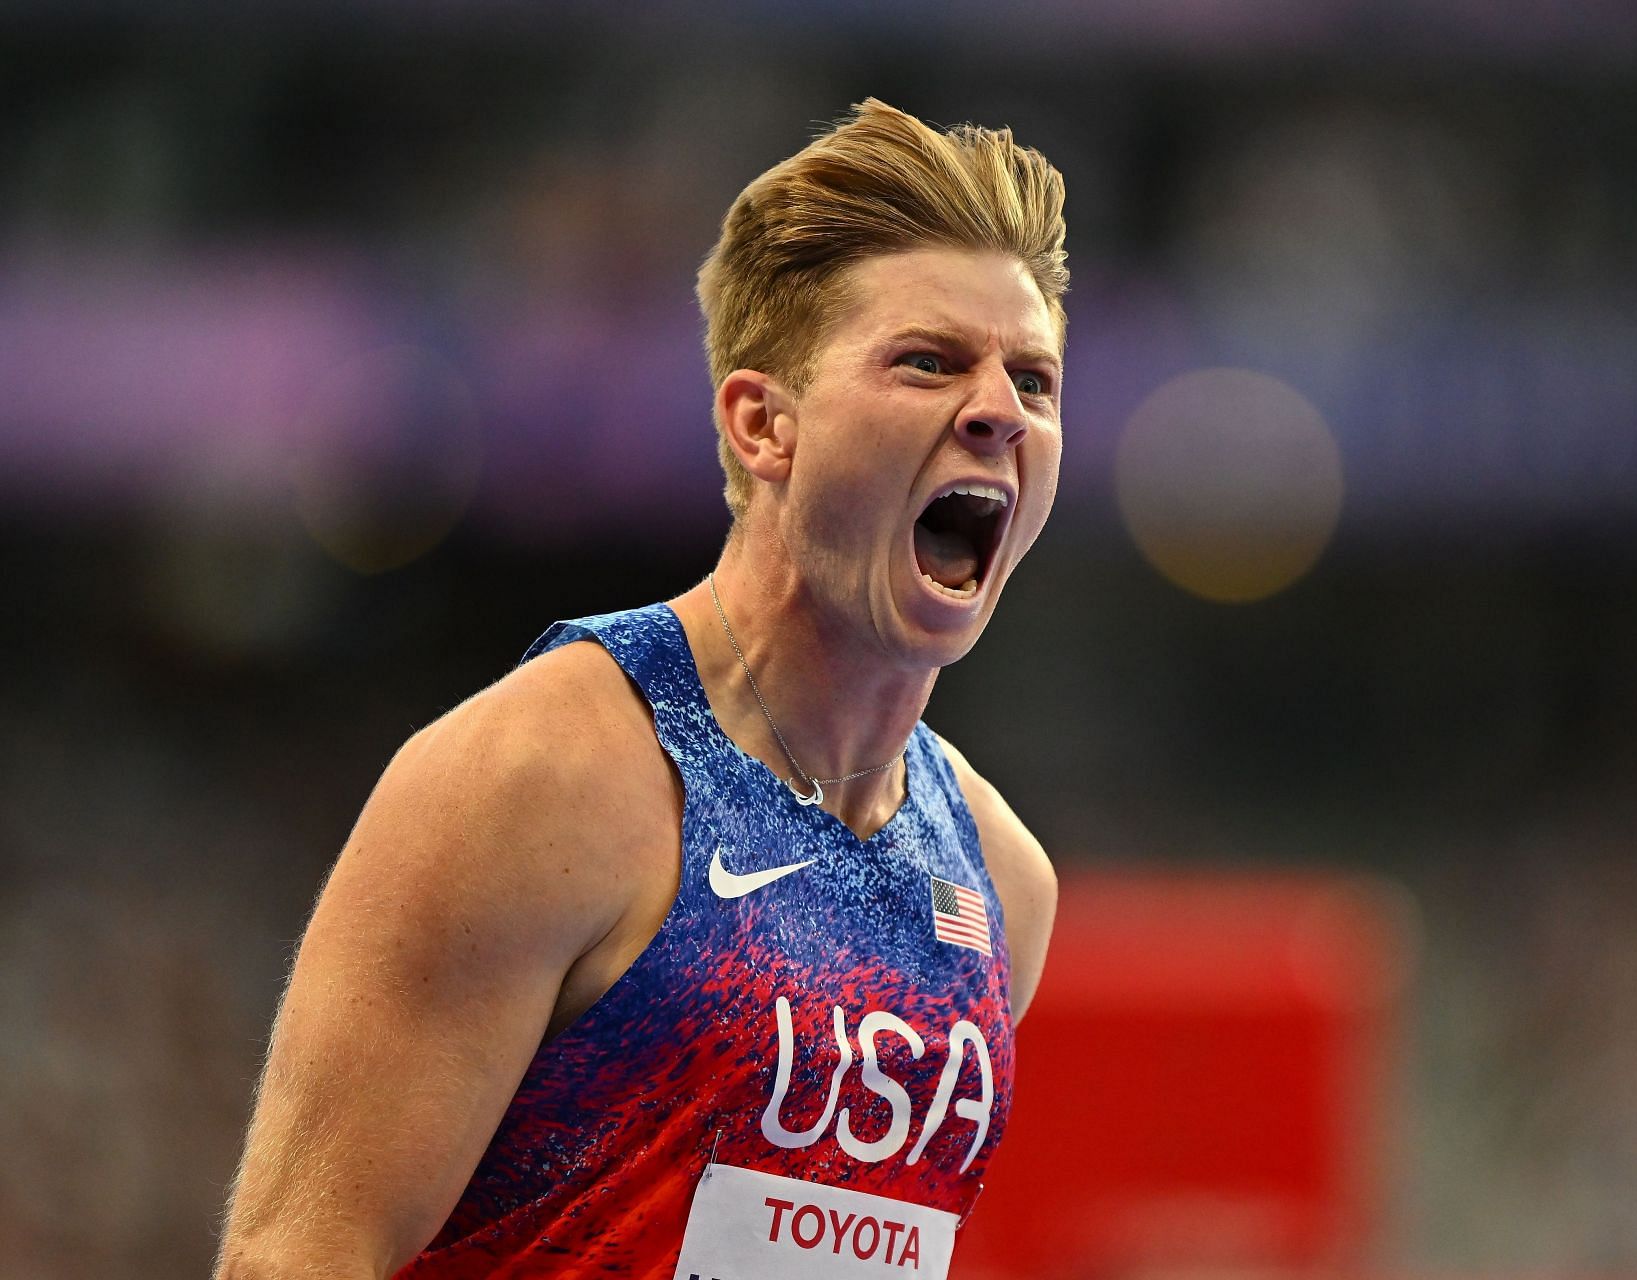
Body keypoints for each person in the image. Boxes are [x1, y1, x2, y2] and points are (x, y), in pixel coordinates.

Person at [215, 98, 1065, 1280]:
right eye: (928, 361)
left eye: (1034, 379)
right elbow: (296, 1256)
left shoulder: (1001, 884)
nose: (997, 410)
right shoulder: (545, 775)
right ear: (765, 425)